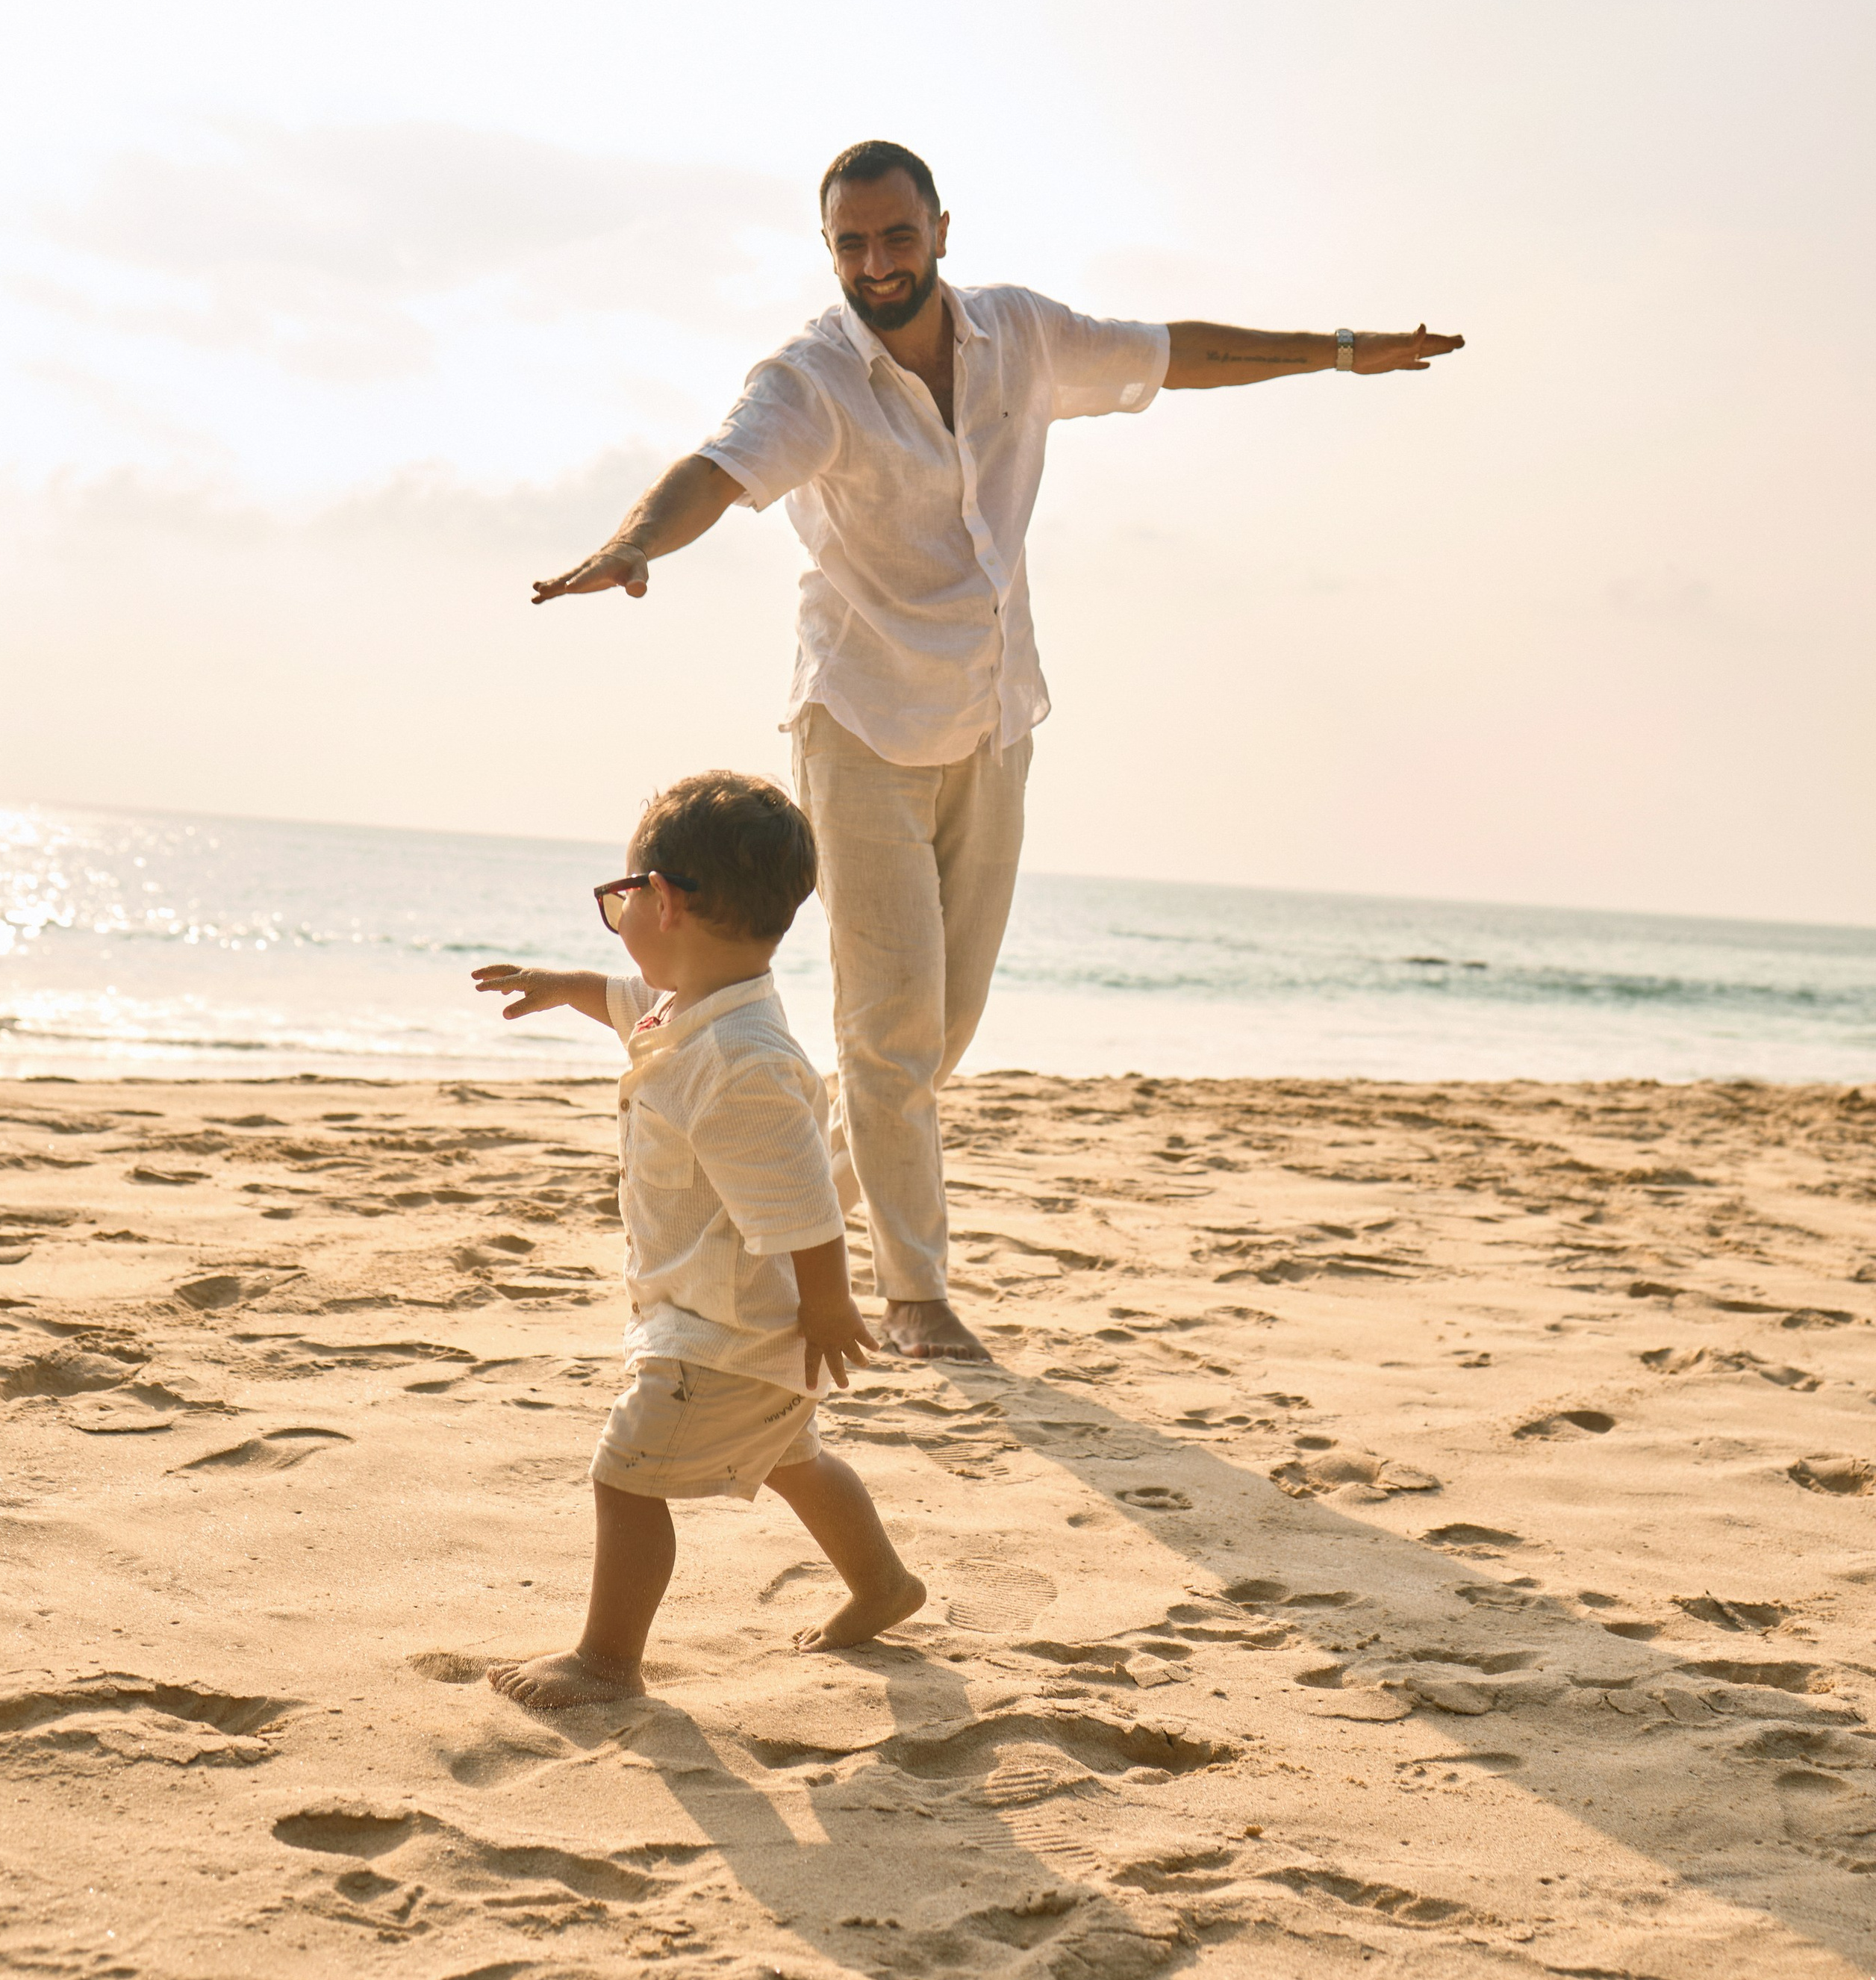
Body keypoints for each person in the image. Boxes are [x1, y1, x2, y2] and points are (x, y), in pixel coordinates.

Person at [531, 140, 1465, 1367]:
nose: (877, 264)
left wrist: (1339, 352)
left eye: (896, 237)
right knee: (891, 1035)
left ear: (940, 231)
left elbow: (1173, 352)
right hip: (862, 725)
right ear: (830, 253)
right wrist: (634, 542)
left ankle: (779, 1209)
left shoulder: (1018, 336)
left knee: (941, 1030)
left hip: (992, 717)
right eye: (852, 245)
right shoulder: (812, 380)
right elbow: (717, 468)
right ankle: (915, 1299)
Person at [470, 769, 924, 1708]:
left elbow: (803, 1204)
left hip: (723, 1331)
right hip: (738, 1321)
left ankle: (607, 1661)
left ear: (663, 901)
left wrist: (829, 1306)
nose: (618, 920)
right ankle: (882, 1585)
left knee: (627, 1477)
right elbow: (631, 999)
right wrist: (565, 986)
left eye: (619, 900)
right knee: (793, 1459)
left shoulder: (740, 1061)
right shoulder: (699, 1005)